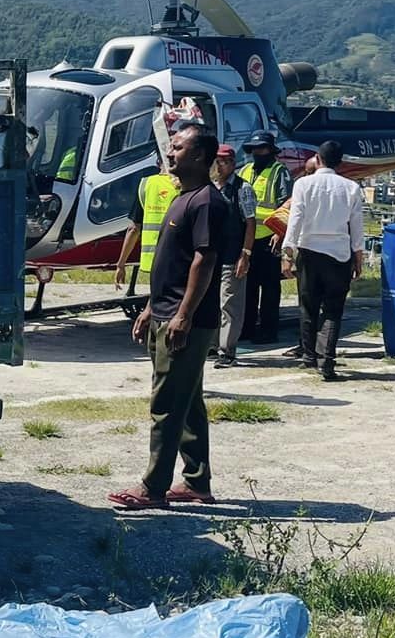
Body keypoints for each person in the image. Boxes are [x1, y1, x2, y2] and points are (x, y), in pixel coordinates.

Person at [109, 125, 234, 511]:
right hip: (166, 311)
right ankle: (197, 482)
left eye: (178, 148)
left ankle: (153, 488)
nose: (170, 153)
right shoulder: (183, 197)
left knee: (166, 403)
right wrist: (151, 307)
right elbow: (172, 263)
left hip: (186, 321)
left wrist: (182, 315)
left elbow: (205, 259)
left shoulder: (207, 203)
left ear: (199, 156)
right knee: (188, 399)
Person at [280, 141, 364, 382]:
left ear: (318, 159)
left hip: (308, 250)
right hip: (338, 253)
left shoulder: (303, 184)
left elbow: (295, 219)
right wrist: (358, 256)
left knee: (308, 305)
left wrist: (288, 253)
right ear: (340, 162)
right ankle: (326, 360)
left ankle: (309, 356)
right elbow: (356, 226)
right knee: (333, 309)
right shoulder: (351, 188)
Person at [237, 132, 293, 346]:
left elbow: (286, 204)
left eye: (262, 148)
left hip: (270, 238)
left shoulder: (279, 171)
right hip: (249, 238)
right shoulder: (245, 170)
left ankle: (269, 331)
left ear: (270, 150)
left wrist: (280, 233)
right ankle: (247, 328)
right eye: (255, 148)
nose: (257, 152)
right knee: (248, 287)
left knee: (270, 288)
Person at [210, 143, 258, 368]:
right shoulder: (209, 187)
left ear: (232, 164)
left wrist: (245, 255)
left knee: (229, 305)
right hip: (211, 257)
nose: (220, 167)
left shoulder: (242, 189)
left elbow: (250, 223)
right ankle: (211, 344)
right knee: (210, 303)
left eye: (225, 162)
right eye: (217, 162)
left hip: (232, 256)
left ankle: (227, 350)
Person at [115, 155, 179, 294]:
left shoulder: (146, 185)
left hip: (152, 260)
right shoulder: (182, 185)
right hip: (176, 258)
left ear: (158, 162)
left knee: (157, 300)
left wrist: (121, 264)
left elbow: (133, 229)